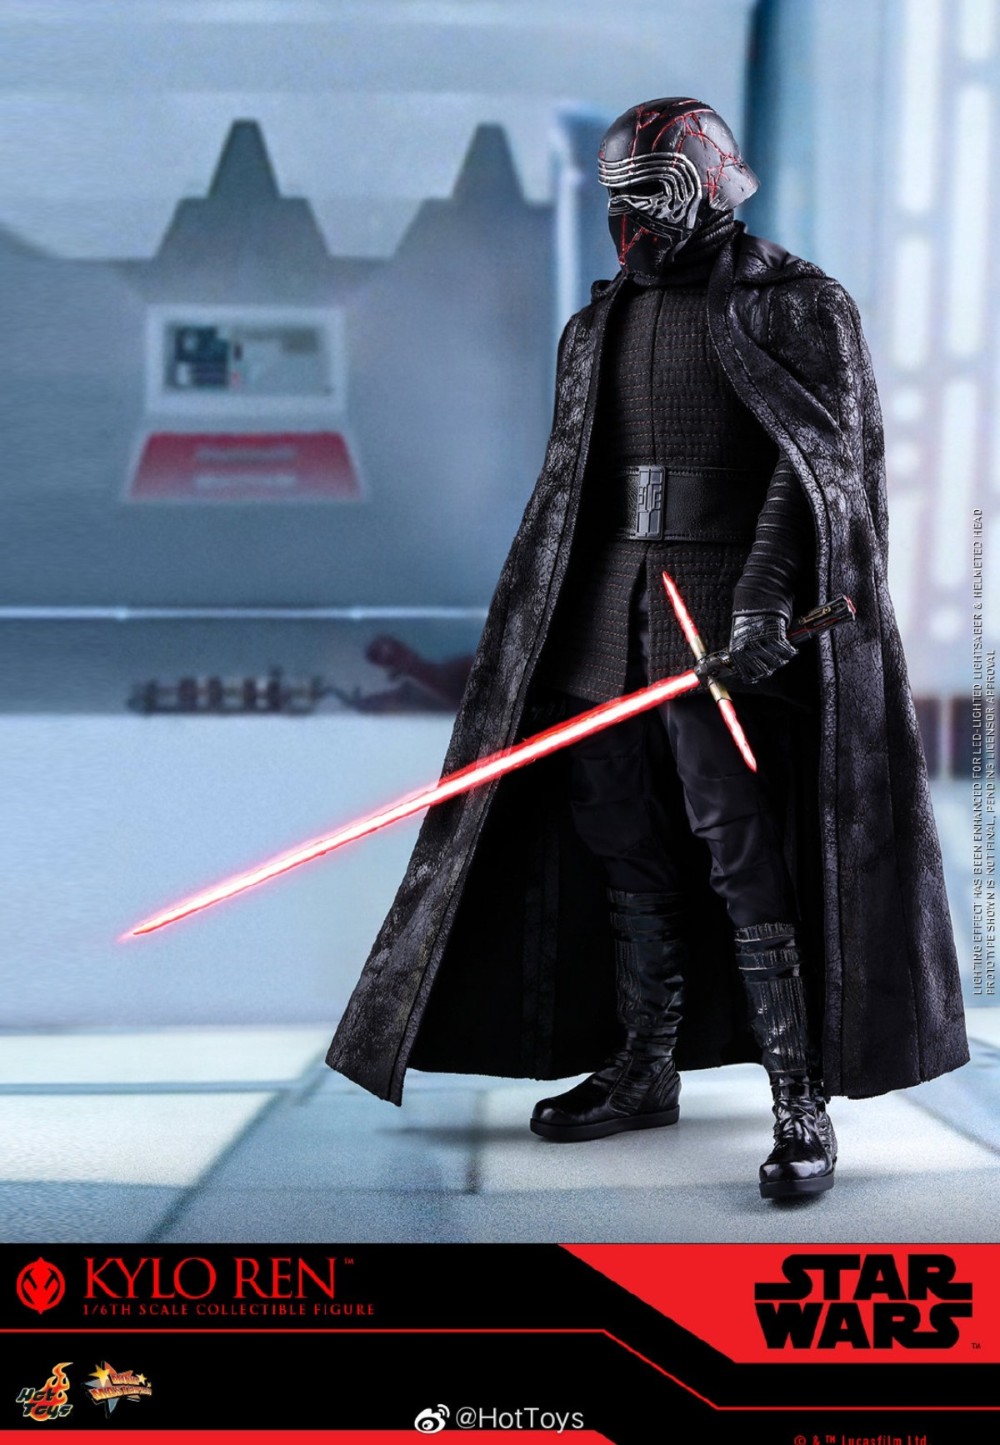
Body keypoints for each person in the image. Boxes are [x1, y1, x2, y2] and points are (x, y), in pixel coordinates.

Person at [326, 97, 969, 1200]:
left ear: (710, 179)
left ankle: (796, 1094)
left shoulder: (796, 304)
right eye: (622, 194)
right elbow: (575, 485)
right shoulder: (599, 324)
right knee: (621, 842)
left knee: (743, 852)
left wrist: (763, 601)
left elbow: (814, 473)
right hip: (600, 618)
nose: (637, 215)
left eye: (655, 189)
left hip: (715, 616)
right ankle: (643, 1064)